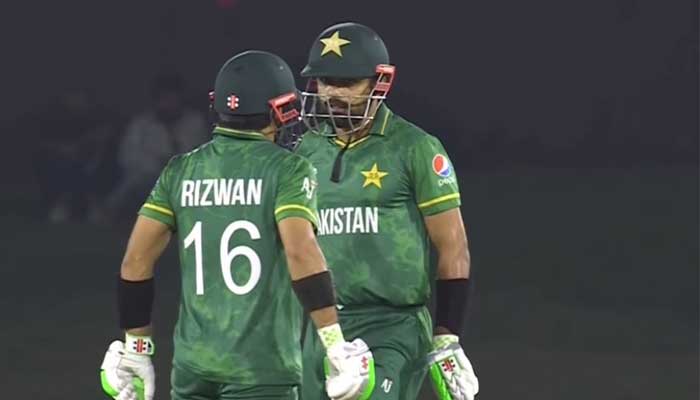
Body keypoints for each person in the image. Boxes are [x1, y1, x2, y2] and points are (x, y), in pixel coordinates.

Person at [99, 50, 373, 400]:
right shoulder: (288, 169)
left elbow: (135, 261)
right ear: (279, 109)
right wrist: (335, 344)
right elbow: (301, 252)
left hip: (192, 366)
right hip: (260, 368)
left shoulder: (180, 169)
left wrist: (137, 347)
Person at [296, 22, 479, 400]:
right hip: (324, 326)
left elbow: (453, 246)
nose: (331, 93)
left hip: (392, 326)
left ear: (379, 83)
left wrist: (447, 336)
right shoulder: (305, 151)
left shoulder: (415, 148)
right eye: (325, 80)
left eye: (347, 83)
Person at [104, 72, 208, 218]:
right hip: (146, 182)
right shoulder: (141, 125)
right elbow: (126, 157)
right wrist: (157, 165)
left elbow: (202, 157)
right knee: (130, 190)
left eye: (172, 99)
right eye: (164, 99)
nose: (168, 104)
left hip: (185, 182)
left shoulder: (194, 123)